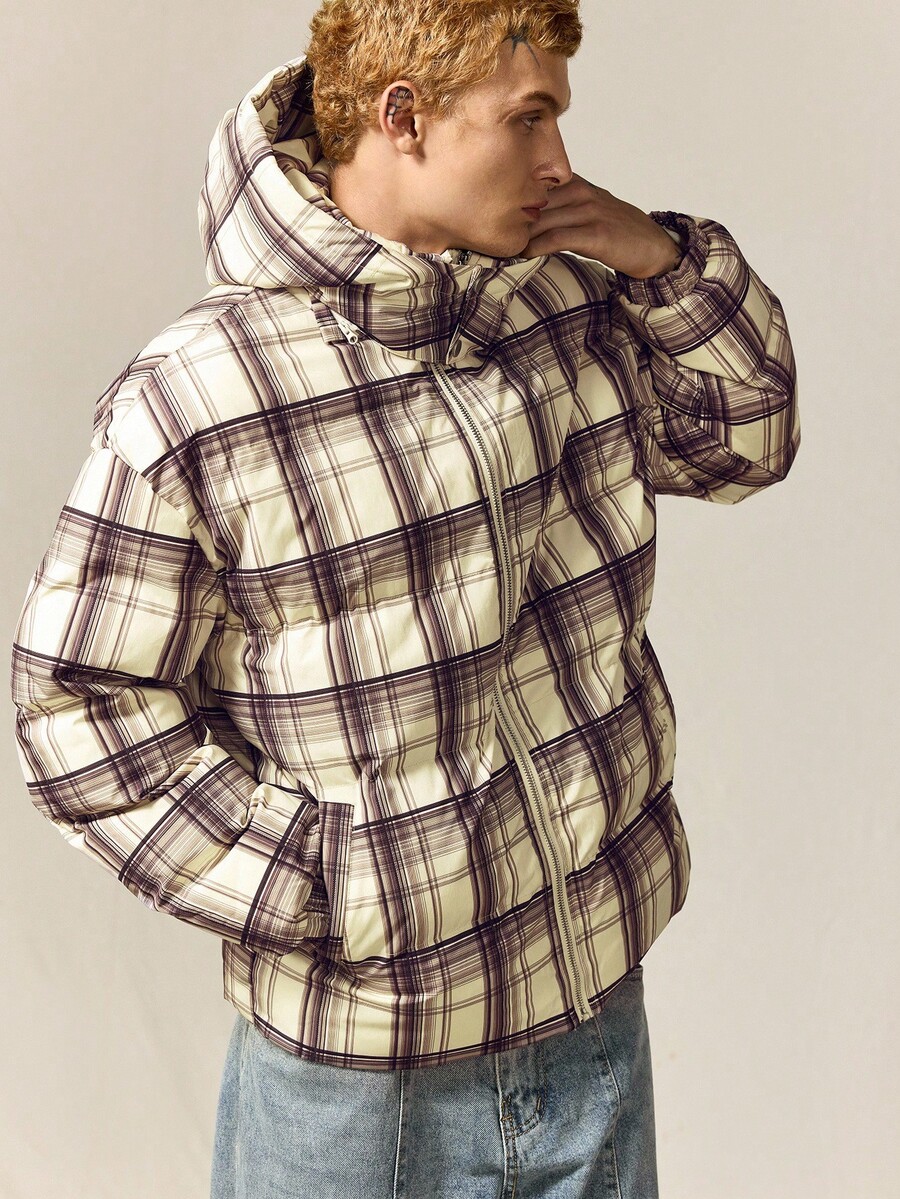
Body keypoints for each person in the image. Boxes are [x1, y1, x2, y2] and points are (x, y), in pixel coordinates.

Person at [9, 1, 800, 1195]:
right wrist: (325, 881)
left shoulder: (558, 304)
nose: (560, 161)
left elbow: (745, 439)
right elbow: (76, 708)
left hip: (590, 1019)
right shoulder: (202, 396)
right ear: (404, 116)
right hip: (358, 1083)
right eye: (529, 119)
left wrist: (663, 263)